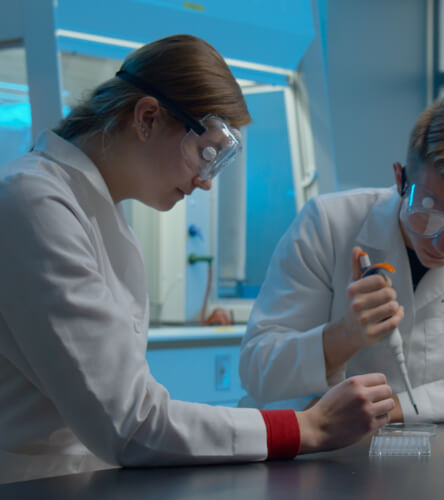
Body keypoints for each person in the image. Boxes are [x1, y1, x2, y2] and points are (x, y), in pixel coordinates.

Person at [0, 34, 394, 484]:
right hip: (29, 484)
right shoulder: (32, 200)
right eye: (206, 154)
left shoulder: (95, 213)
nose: (205, 182)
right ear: (147, 118)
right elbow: (130, 424)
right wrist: (308, 427)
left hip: (82, 479)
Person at [240, 96, 444, 422]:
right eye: (429, 213)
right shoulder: (328, 224)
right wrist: (342, 338)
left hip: (440, 456)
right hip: (322, 452)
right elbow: (258, 369)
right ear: (400, 180)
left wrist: (392, 409)